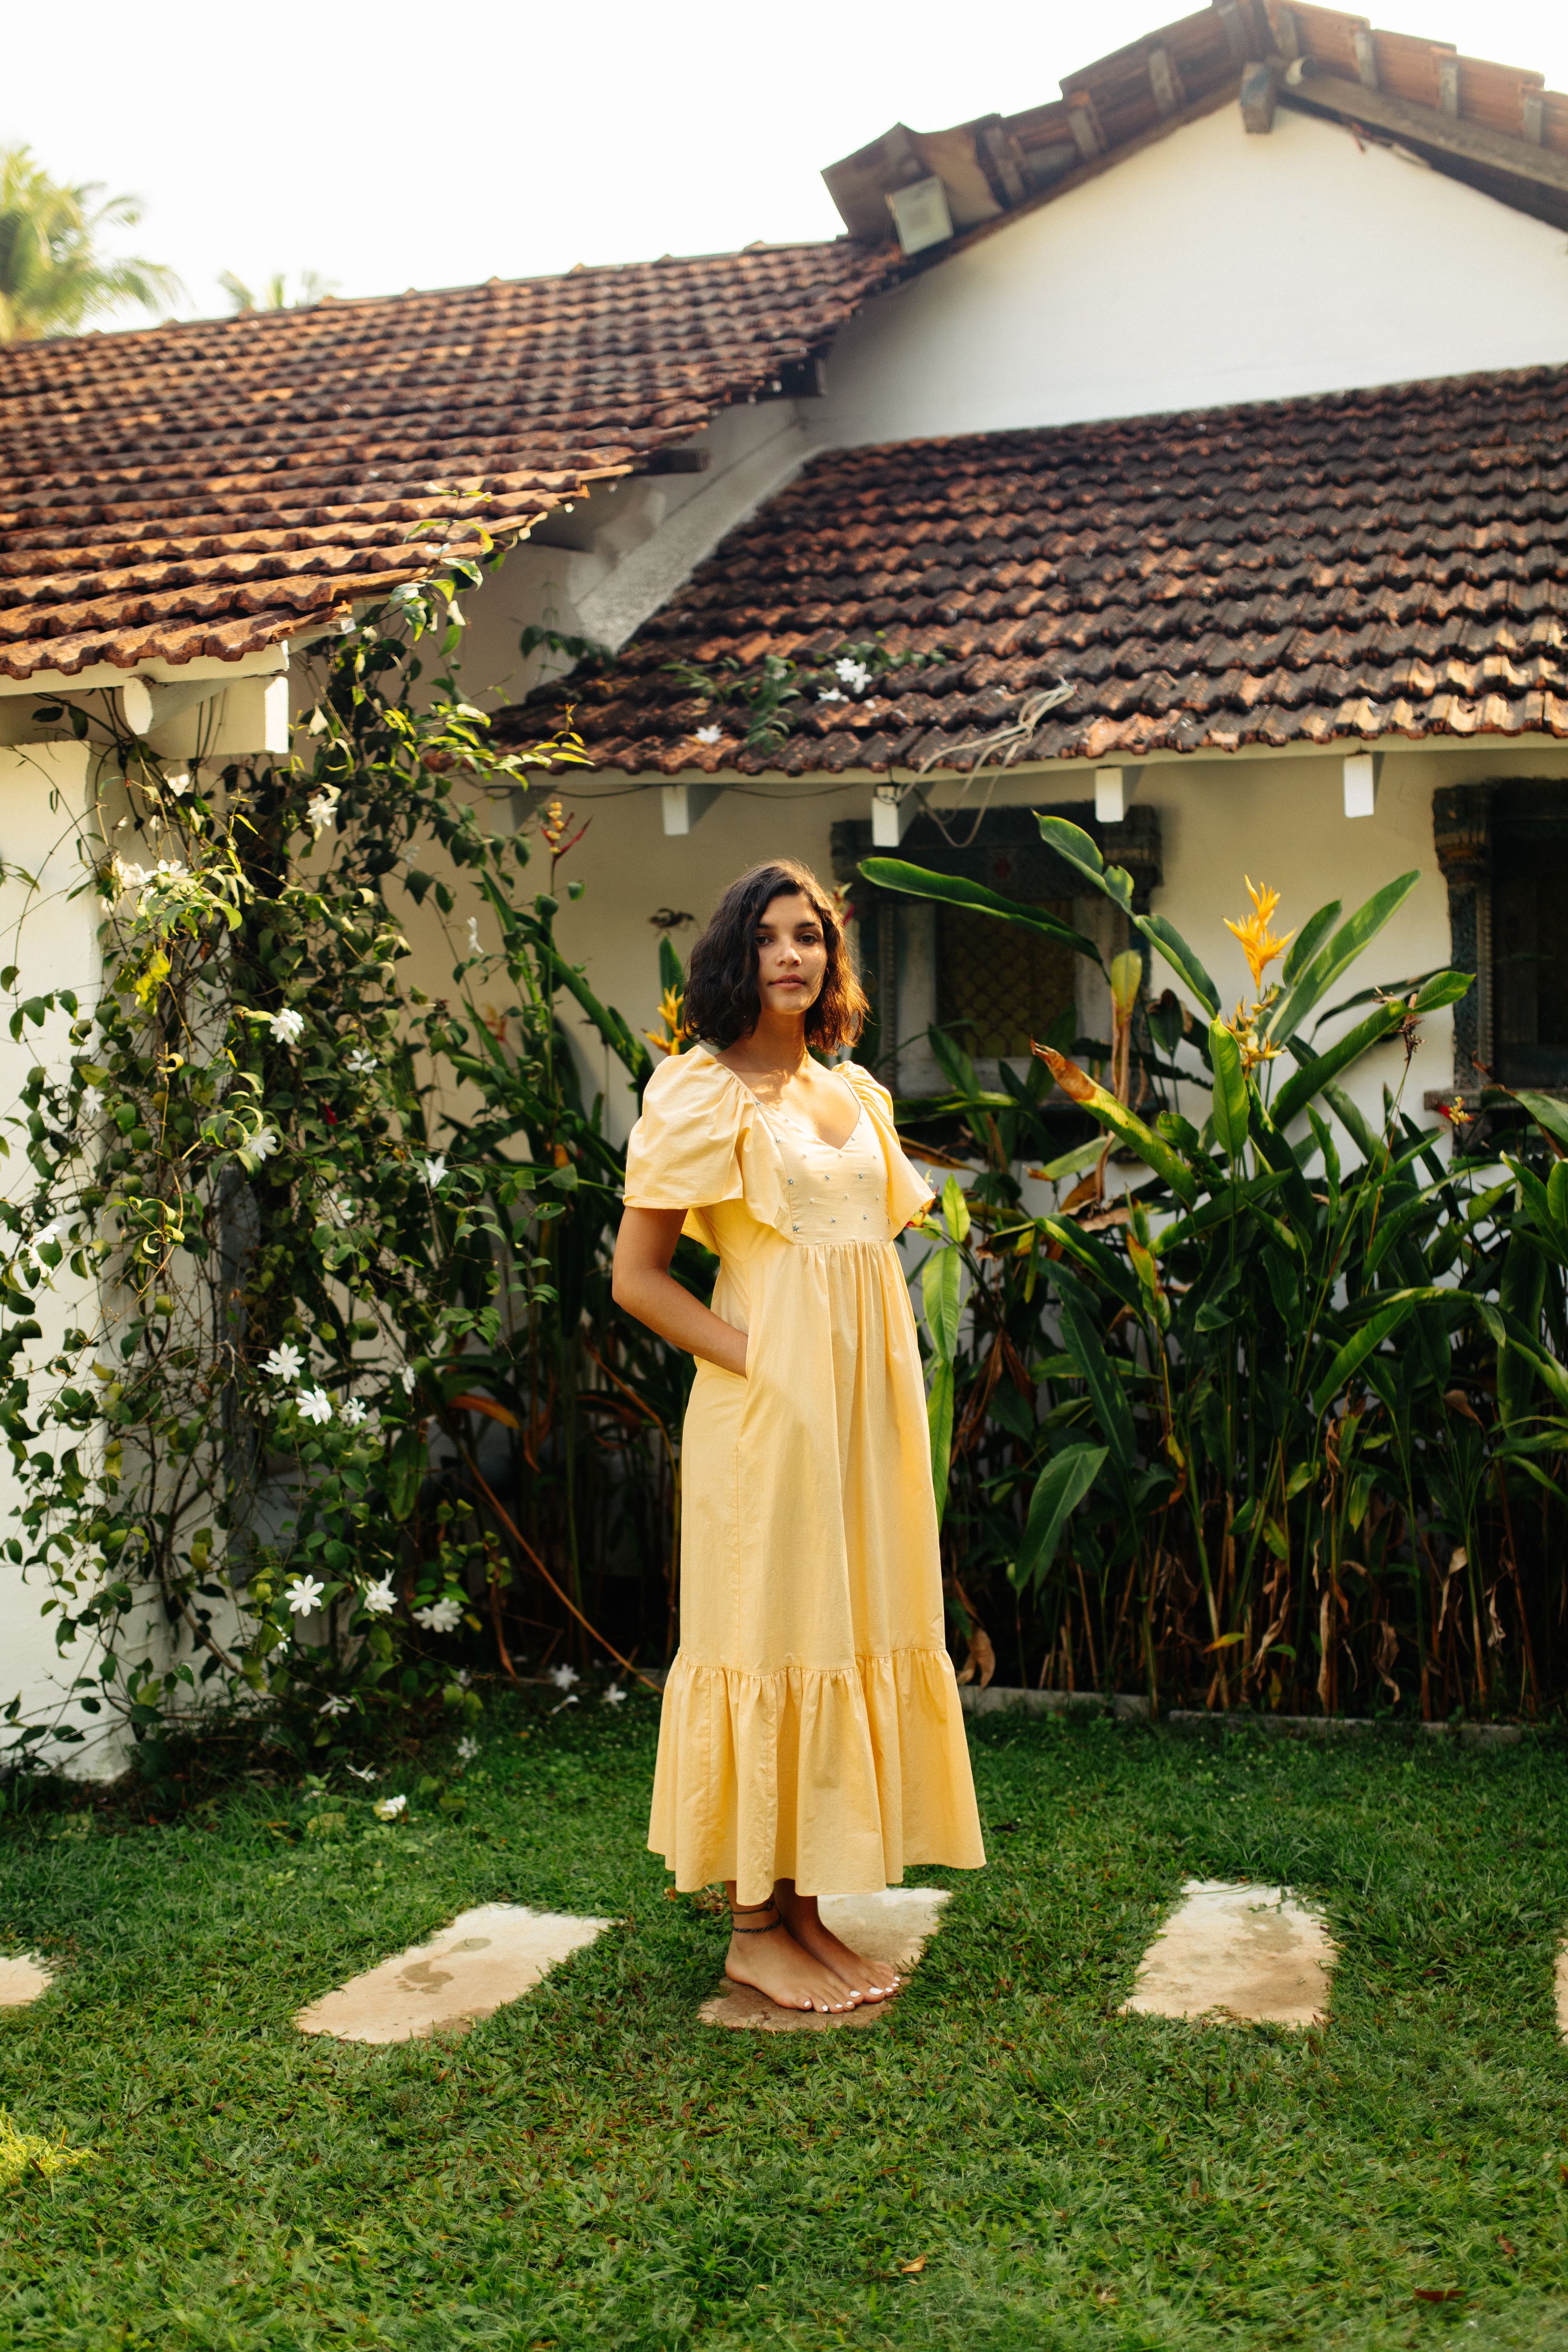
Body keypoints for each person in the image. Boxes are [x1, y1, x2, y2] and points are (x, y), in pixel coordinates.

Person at [612, 858, 984, 2015]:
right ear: (736, 956)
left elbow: (865, 1254)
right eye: (769, 936)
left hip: (864, 1419)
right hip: (766, 1417)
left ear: (831, 958)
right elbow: (639, 1278)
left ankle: (807, 1913)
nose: (790, 954)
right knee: (768, 1629)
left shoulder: (857, 1095)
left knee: (843, 1621)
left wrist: (851, 1385)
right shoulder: (699, 1092)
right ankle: (751, 1929)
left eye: (809, 935)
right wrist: (760, 1361)